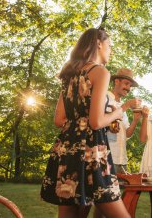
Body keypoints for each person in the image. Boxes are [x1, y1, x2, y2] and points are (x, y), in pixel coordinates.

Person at [40, 28, 130, 218]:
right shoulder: (100, 72)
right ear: (99, 43)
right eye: (109, 45)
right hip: (92, 150)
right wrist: (118, 112)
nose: (110, 50)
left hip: (67, 148)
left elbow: (59, 120)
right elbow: (96, 122)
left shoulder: (69, 74)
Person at [107, 68, 142, 174]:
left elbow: (127, 134)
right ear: (116, 81)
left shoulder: (122, 107)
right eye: (126, 83)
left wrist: (135, 120)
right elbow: (112, 129)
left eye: (130, 86)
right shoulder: (105, 99)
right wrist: (126, 105)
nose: (128, 88)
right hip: (108, 158)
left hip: (122, 160)